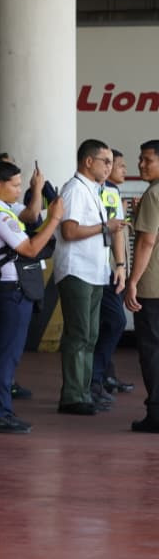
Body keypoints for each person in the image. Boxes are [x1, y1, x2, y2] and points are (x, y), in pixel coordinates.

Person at [0, 161, 64, 433]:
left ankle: (2, 410)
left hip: (16, 289)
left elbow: (30, 214)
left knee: (10, 353)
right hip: (12, 290)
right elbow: (30, 248)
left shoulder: (3, 209)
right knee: (7, 354)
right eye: (15, 185)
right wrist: (55, 219)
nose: (18, 189)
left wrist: (37, 189)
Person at [54, 140, 128, 416]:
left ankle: (84, 391)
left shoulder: (97, 191)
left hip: (95, 271)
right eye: (105, 161)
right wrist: (103, 227)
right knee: (79, 333)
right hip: (77, 270)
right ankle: (73, 395)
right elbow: (69, 232)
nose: (110, 167)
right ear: (88, 162)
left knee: (91, 334)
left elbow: (115, 230)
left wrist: (118, 263)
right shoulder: (75, 190)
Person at [124, 140, 159, 433]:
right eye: (140, 159)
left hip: (152, 287)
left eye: (147, 160)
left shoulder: (154, 195)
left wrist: (132, 282)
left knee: (152, 350)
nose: (141, 165)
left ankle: (156, 414)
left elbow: (147, 241)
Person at [93, 149, 133, 399]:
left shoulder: (113, 193)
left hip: (114, 268)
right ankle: (96, 377)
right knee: (114, 321)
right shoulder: (100, 191)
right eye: (114, 164)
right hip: (103, 268)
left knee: (109, 322)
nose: (119, 170)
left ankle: (104, 374)